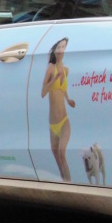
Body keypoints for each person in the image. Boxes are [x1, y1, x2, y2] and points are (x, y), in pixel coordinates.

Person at [40, 37, 75, 182]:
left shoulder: (66, 70)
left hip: (64, 120)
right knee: (57, 158)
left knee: (62, 154)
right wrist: (54, 80)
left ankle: (70, 186)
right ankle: (64, 185)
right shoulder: (51, 69)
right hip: (52, 123)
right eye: (60, 47)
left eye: (64, 48)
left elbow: (62, 90)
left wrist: (68, 99)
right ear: (55, 50)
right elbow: (43, 92)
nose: (62, 51)